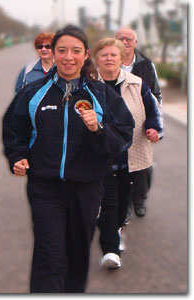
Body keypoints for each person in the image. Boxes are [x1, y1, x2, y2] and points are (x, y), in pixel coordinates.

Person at [2, 25, 134, 293]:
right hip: (45, 187)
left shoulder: (101, 94)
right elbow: (14, 129)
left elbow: (123, 137)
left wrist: (99, 129)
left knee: (77, 252)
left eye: (75, 51)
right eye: (62, 50)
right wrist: (18, 156)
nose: (68, 57)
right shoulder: (34, 92)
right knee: (48, 252)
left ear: (86, 55)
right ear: (53, 53)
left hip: (87, 187)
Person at [93, 38, 163, 269]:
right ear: (97, 59)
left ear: (122, 58)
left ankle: (117, 228)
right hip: (101, 156)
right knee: (109, 201)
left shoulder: (137, 83)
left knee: (124, 202)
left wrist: (154, 128)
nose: (109, 59)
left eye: (113, 55)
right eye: (104, 55)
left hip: (130, 154)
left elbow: (152, 110)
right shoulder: (88, 86)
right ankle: (111, 250)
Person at [115, 27, 163, 218]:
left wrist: (155, 126)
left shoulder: (146, 65)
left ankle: (139, 200)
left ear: (135, 42)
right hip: (116, 126)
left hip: (141, 124)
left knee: (142, 166)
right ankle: (123, 204)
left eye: (129, 39)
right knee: (120, 167)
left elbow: (156, 95)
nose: (125, 42)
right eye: (121, 38)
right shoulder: (107, 62)